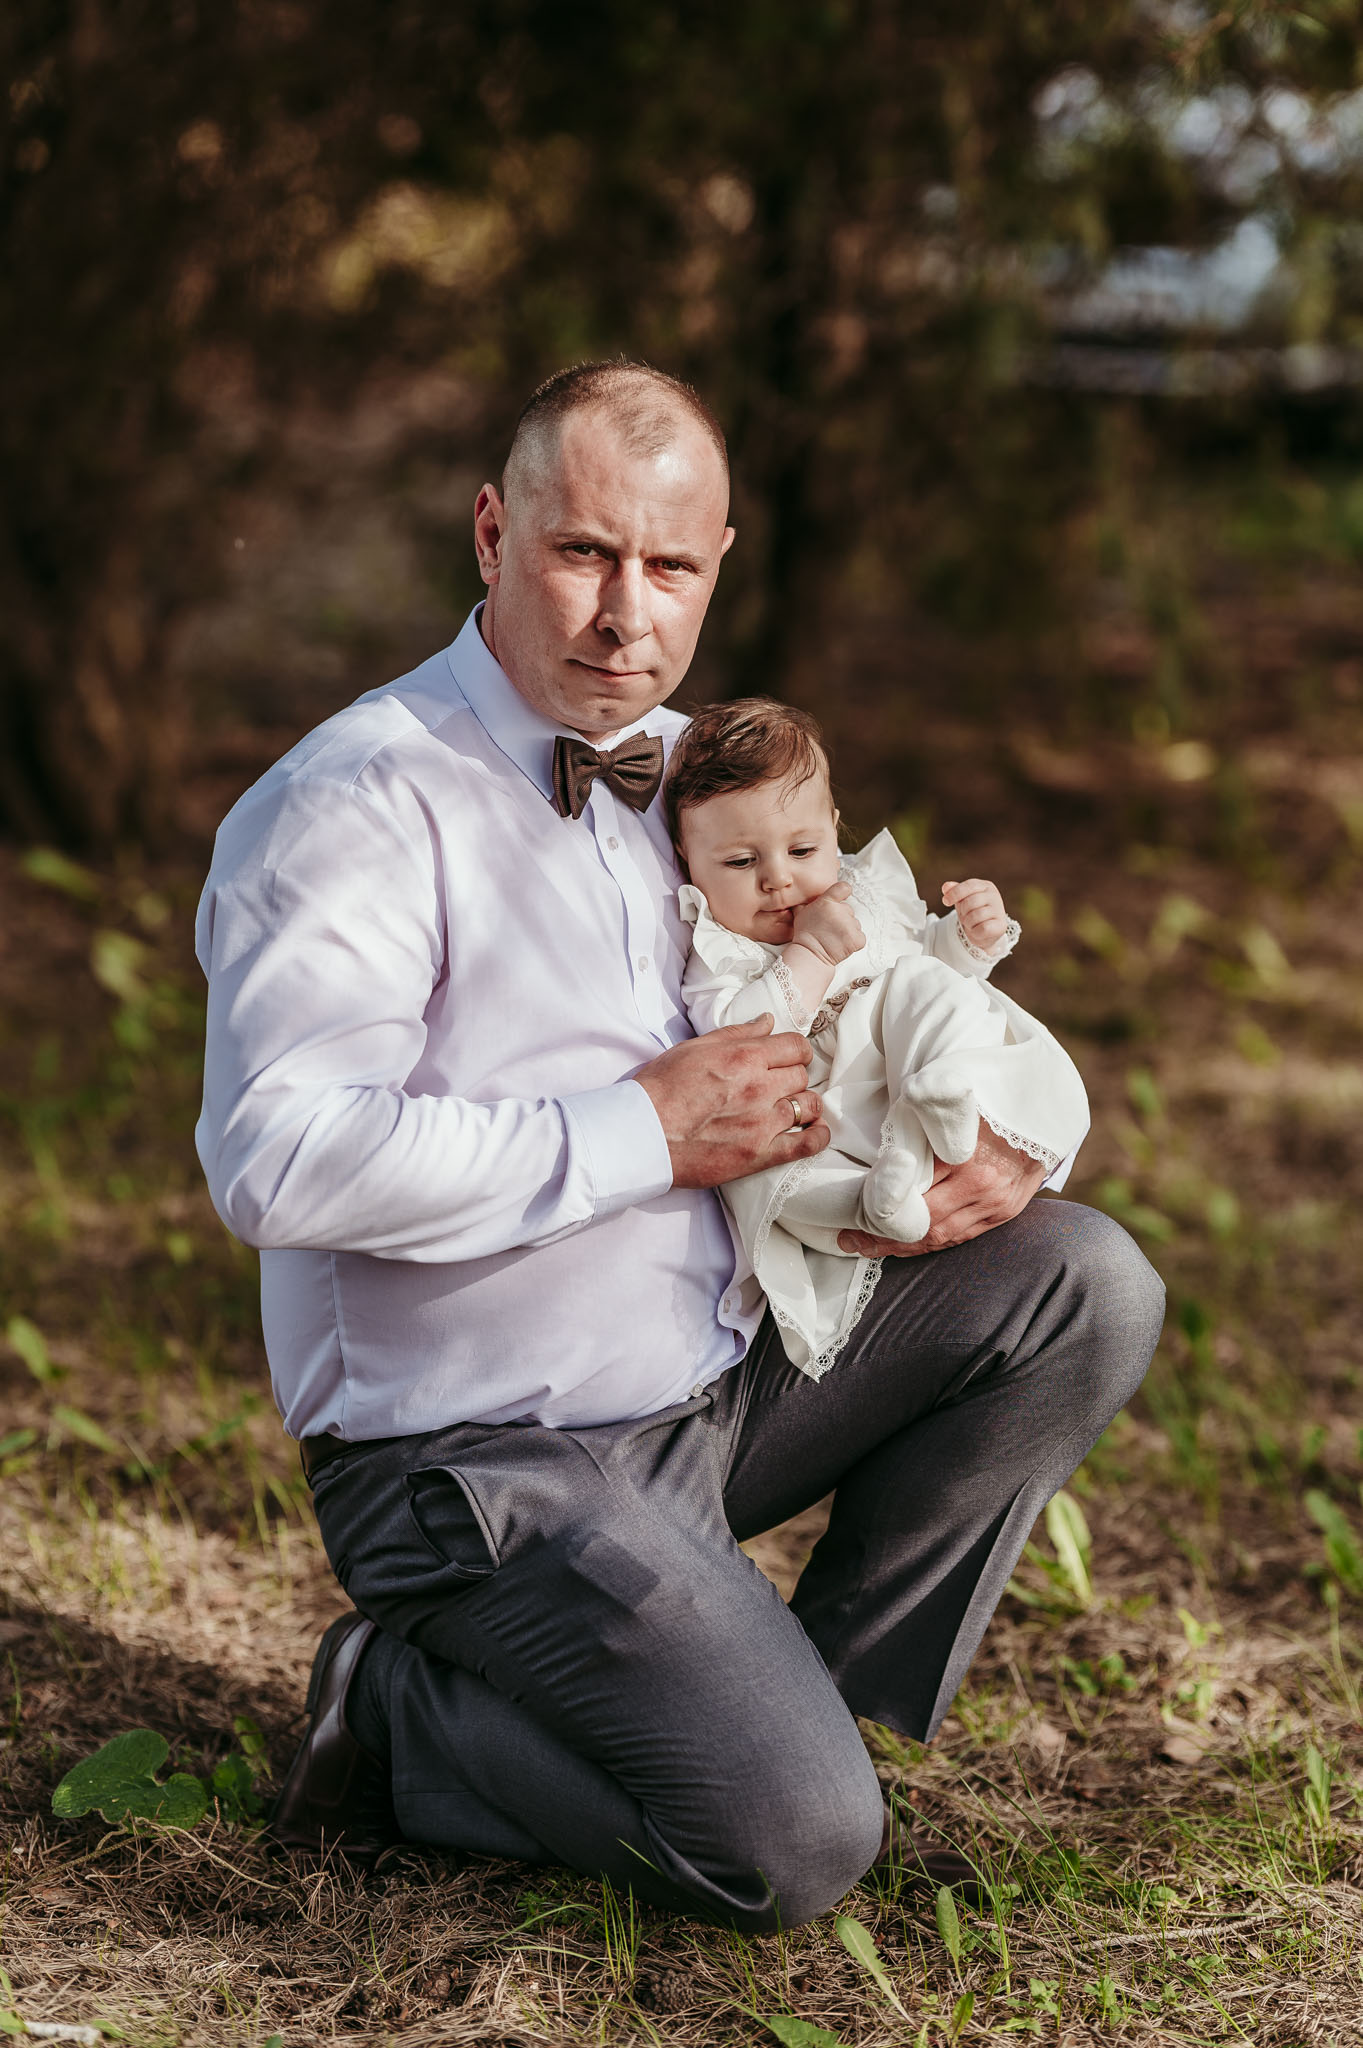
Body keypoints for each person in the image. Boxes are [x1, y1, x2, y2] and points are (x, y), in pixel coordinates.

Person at [194, 359, 1164, 1932]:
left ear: (717, 564)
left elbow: (875, 988)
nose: (620, 617)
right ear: (491, 533)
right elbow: (278, 1161)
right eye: (582, 554)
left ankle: (783, 1711)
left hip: (720, 1389)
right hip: (479, 1459)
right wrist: (640, 1130)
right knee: (788, 1851)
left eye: (667, 568)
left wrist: (998, 1139)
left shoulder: (711, 775)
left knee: (1082, 1283)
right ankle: (397, 1711)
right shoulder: (357, 801)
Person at [665, 698, 1091, 1380]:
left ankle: (940, 1109)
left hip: (907, 1082)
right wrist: (807, 956)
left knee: (925, 984)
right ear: (687, 858)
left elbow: (929, 959)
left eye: (802, 850)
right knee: (773, 1183)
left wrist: (967, 937)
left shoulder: (862, 893)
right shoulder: (719, 950)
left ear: (834, 829)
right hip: (824, 1127)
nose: (778, 878)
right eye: (740, 861)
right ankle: (880, 1204)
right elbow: (739, 1044)